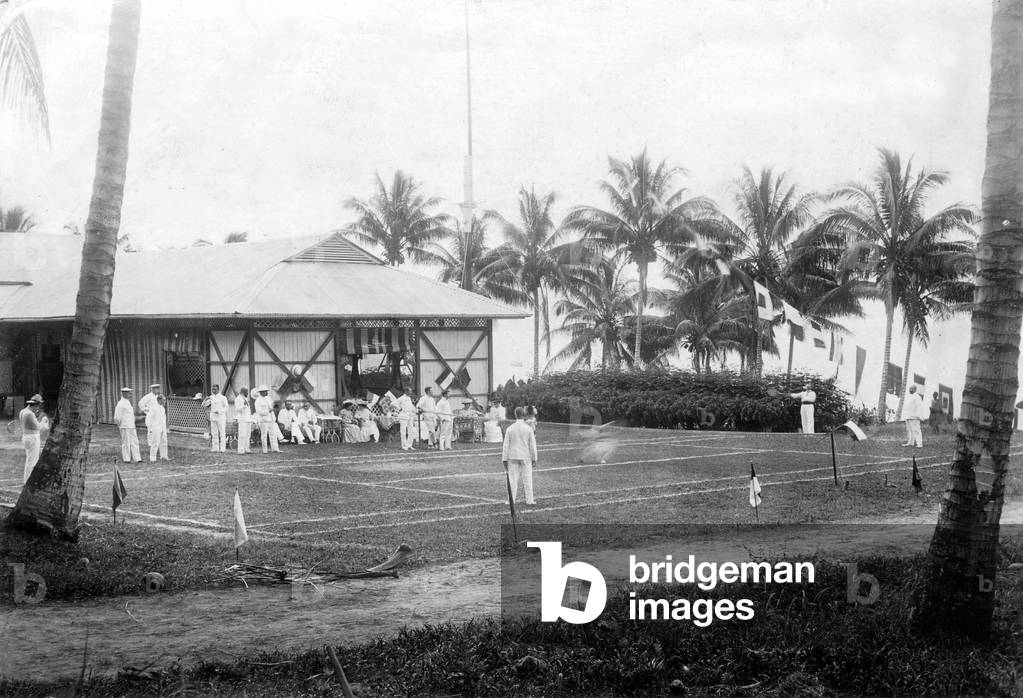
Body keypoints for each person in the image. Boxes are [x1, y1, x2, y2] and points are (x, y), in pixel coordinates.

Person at [502, 406, 538, 505]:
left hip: (512, 457)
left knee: (512, 480)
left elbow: (506, 445)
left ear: (515, 415)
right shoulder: (528, 428)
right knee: (528, 479)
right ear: (524, 415)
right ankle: (530, 500)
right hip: (525, 456)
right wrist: (534, 458)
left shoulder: (510, 428)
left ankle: (510, 500)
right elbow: (532, 445)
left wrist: (504, 459)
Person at [114, 387, 142, 463]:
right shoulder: (120, 403)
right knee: (126, 442)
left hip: (131, 426)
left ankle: (137, 458)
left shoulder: (127, 402)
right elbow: (117, 417)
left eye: (130, 393)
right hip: (125, 426)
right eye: (128, 393)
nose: (130, 394)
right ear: (124, 393)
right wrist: (120, 425)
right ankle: (127, 459)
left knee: (135, 441)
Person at [20, 394, 43, 483]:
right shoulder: (29, 414)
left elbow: (31, 425)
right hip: (32, 438)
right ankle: (28, 482)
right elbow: (38, 427)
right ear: (35, 405)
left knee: (30, 460)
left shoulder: (23, 411)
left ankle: (27, 480)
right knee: (32, 461)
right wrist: (44, 422)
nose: (38, 409)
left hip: (26, 437)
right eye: (37, 406)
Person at [201, 384, 229, 453]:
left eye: (215, 389)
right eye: (212, 389)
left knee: (222, 433)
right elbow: (204, 405)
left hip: (221, 417)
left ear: (218, 389)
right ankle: (215, 448)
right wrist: (205, 400)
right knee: (214, 433)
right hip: (213, 417)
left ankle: (222, 449)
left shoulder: (223, 398)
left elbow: (226, 407)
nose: (213, 390)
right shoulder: (211, 397)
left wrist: (219, 411)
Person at [253, 385, 280, 453]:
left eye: (267, 391)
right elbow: (258, 411)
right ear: (261, 392)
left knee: (273, 434)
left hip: (271, 418)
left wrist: (274, 408)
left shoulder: (269, 398)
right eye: (265, 391)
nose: (267, 392)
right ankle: (265, 450)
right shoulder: (258, 401)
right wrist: (268, 411)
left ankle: (275, 448)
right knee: (264, 435)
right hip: (264, 419)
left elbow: (272, 406)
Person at [145, 394, 170, 462]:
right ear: (159, 400)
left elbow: (163, 419)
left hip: (162, 428)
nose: (164, 401)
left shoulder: (162, 408)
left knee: (164, 442)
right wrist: (150, 428)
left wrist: (165, 428)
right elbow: (148, 419)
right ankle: (152, 458)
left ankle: (164, 456)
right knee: (155, 443)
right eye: (163, 400)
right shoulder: (153, 408)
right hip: (155, 428)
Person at [235, 387, 252, 454]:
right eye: (247, 391)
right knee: (242, 435)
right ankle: (241, 450)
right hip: (242, 419)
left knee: (248, 435)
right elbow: (237, 409)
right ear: (243, 391)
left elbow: (248, 410)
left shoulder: (246, 398)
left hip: (248, 419)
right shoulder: (238, 399)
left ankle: (247, 449)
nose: (247, 393)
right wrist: (243, 405)